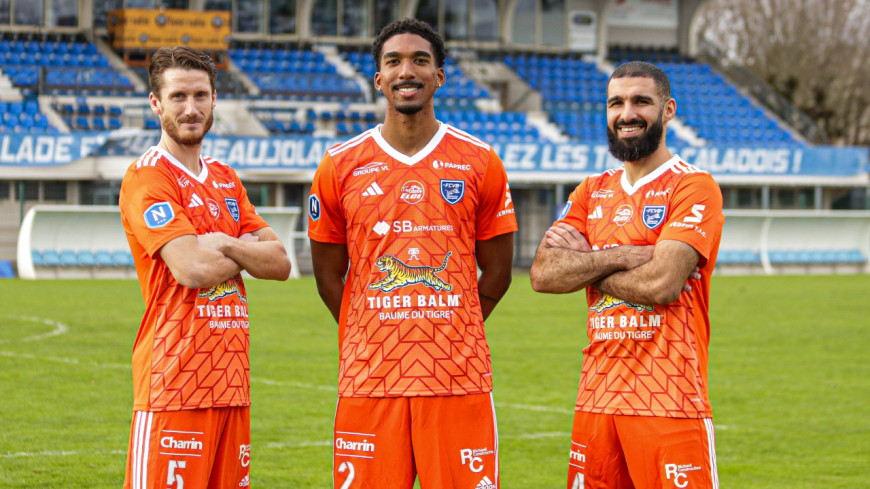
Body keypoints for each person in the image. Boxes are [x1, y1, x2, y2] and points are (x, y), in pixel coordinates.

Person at [308, 18, 518, 489]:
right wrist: (367, 331)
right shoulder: (340, 164)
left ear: (439, 76)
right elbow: (326, 276)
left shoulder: (480, 160)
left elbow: (499, 271)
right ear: (378, 78)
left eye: (420, 60)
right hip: (369, 379)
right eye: (394, 61)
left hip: (458, 377)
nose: (407, 71)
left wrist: (458, 323)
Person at [530, 61, 724, 489]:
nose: (627, 113)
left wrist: (588, 266)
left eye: (641, 102)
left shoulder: (693, 186)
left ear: (668, 109)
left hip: (670, 398)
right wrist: (624, 256)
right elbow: (543, 274)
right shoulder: (591, 190)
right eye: (616, 103)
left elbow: (662, 284)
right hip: (596, 397)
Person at [118, 46, 291, 489]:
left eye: (200, 95)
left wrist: (225, 243)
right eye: (178, 96)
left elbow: (280, 262)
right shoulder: (148, 177)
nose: (190, 108)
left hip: (232, 384)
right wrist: (245, 250)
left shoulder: (226, 177)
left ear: (214, 99)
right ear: (156, 103)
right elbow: (191, 269)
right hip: (174, 382)